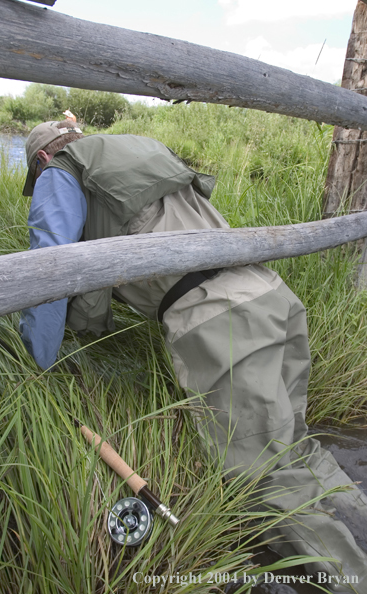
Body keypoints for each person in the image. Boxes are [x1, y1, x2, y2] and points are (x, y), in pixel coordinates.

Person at [20, 120, 367, 592]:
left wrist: (37, 367)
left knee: (264, 478)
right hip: (270, 296)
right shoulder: (136, 149)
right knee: (295, 447)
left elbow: (48, 270)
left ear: (42, 159)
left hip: (220, 321)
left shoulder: (58, 172)